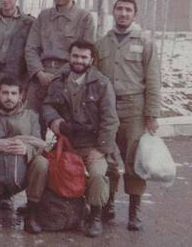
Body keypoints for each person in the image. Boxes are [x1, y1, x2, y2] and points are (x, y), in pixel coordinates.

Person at [95, 0, 161, 231]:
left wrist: (152, 114)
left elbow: (153, 80)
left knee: (134, 160)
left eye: (128, 10)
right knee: (108, 159)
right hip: (108, 108)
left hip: (135, 108)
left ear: (135, 14)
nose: (123, 13)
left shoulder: (145, 42)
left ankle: (134, 211)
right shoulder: (102, 43)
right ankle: (108, 204)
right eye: (119, 9)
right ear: (113, 12)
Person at [43, 40, 119, 237]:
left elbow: (110, 120)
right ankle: (45, 210)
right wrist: (55, 121)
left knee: (97, 174)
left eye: (84, 57)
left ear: (91, 60)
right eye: (75, 56)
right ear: (69, 57)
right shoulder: (59, 81)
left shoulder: (102, 84)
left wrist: (100, 149)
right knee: (46, 168)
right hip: (66, 143)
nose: (79, 60)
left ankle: (95, 216)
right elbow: (47, 105)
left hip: (92, 145)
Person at [0, 76, 48, 233]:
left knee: (41, 163)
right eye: (5, 93)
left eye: (13, 93)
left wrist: (26, 149)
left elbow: (39, 144)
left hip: (23, 171)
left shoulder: (31, 116)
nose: (9, 97)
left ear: (21, 96)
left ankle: (32, 212)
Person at [25, 0, 95, 137]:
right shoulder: (43, 16)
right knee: (31, 123)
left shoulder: (84, 17)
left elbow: (87, 52)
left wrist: (62, 75)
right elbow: (31, 48)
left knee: (67, 128)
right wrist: (39, 73)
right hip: (41, 76)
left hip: (69, 76)